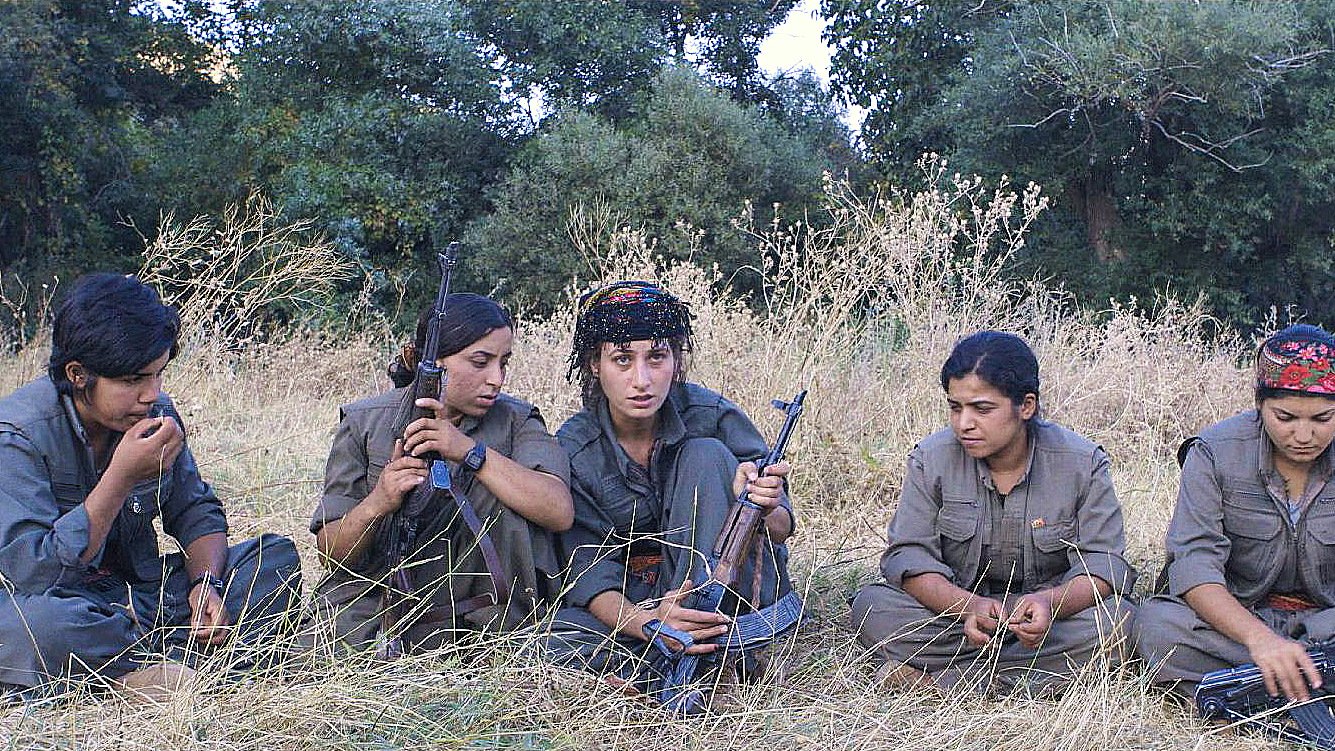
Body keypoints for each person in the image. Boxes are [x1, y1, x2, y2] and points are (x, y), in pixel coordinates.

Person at [0, 273, 302, 699]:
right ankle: (139, 675)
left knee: (274, 560)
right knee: (34, 629)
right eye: (133, 381)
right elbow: (32, 573)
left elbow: (196, 512)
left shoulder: (155, 412)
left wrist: (206, 585)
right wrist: (120, 479)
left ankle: (128, 669)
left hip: (138, 599)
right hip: (60, 605)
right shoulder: (18, 435)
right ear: (78, 374)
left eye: (158, 375)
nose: (151, 394)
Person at [544, 280, 796, 700]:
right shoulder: (575, 447)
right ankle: (687, 660)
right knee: (548, 639)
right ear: (594, 364)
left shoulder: (710, 415)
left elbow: (783, 526)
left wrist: (758, 503)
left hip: (735, 593)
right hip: (644, 603)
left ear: (676, 361)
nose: (641, 380)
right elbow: (589, 572)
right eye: (622, 360)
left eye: (656, 358)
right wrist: (653, 623)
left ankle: (703, 653)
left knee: (706, 455)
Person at [850, 331, 1136, 695]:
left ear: (1026, 406)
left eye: (982, 409)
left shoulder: (1082, 463)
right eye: (956, 408)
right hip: (957, 613)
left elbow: (1103, 567)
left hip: (1047, 619)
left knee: (1118, 622)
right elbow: (909, 557)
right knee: (874, 605)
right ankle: (1019, 681)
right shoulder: (931, 459)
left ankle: (945, 683)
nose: (964, 423)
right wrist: (969, 608)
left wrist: (1048, 604)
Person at [307, 293, 573, 651]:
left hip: (490, 618)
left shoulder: (516, 421)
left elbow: (557, 510)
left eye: (503, 363)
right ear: (427, 364)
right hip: (378, 609)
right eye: (480, 362)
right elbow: (331, 551)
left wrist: (467, 451)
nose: (496, 379)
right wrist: (378, 503)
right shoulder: (364, 423)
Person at [1137, 324, 1335, 703]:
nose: (1304, 435)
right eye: (1286, 418)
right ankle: (1297, 683)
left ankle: (1247, 690)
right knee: (1154, 627)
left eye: (1322, 419)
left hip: (1326, 625)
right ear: (1259, 405)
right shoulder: (1214, 452)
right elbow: (1194, 567)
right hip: (1241, 621)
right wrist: (1260, 641)